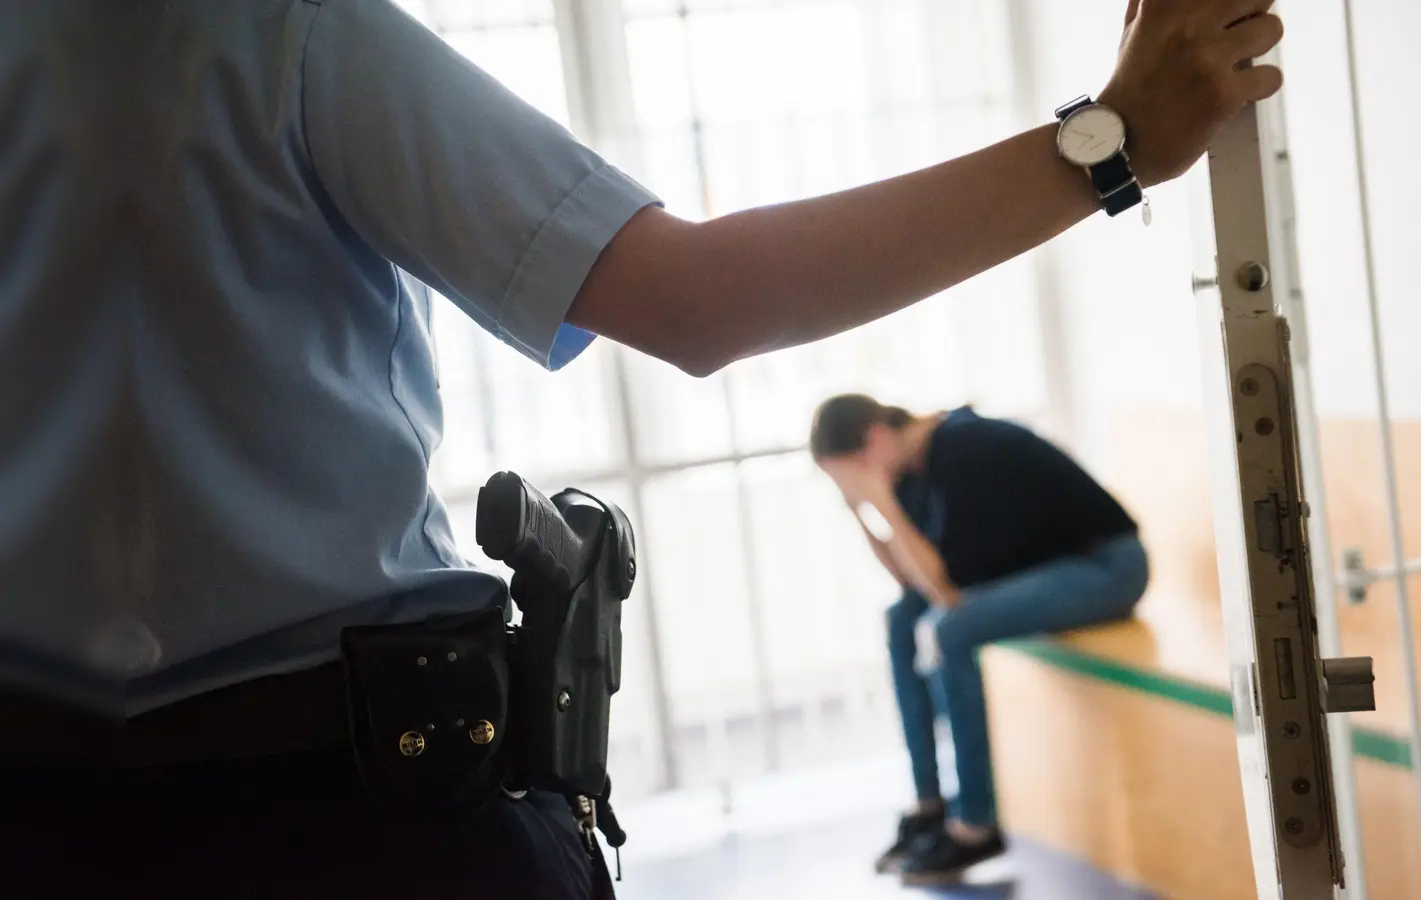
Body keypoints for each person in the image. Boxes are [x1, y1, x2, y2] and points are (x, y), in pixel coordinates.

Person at [0, 0, 1281, 896]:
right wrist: (1106, 148)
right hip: (348, 811)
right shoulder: (265, 32)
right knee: (926, 631)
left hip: (49, 806)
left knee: (932, 630)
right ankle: (959, 817)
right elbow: (696, 300)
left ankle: (960, 818)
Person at [809, 396, 1148, 885]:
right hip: (1053, 571)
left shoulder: (964, 450)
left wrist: (881, 501)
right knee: (902, 619)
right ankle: (930, 805)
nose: (853, 486)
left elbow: (945, 594)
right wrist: (864, 514)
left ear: (876, 439)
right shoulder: (915, 469)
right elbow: (911, 585)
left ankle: (974, 824)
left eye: (850, 474)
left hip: (1109, 568)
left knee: (949, 631)